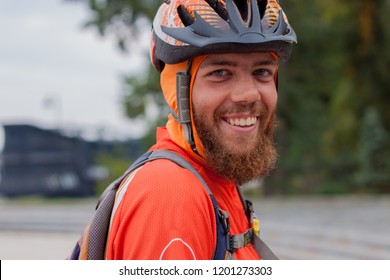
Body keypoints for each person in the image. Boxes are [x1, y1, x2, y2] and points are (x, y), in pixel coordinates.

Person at [105, 0, 297, 260]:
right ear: (177, 89)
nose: (249, 94)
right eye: (220, 72)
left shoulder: (214, 179)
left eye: (261, 71)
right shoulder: (170, 195)